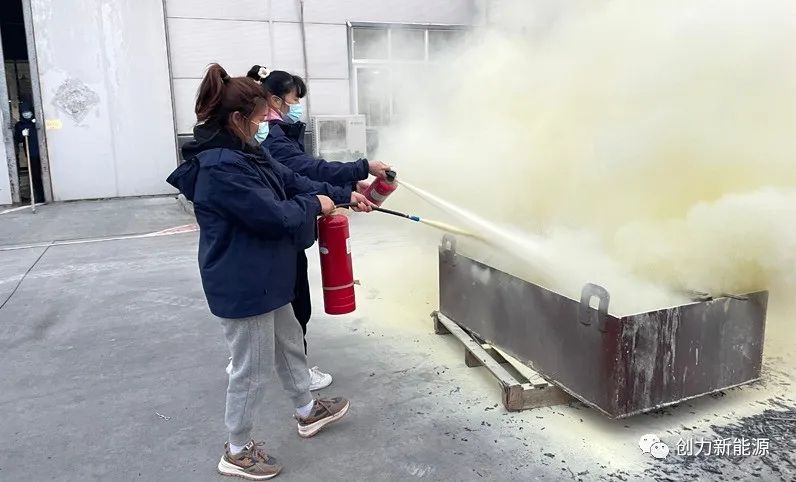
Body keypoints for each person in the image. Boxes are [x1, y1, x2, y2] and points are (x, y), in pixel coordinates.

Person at [166, 63, 371, 481]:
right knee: (251, 370)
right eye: (261, 119)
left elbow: (292, 180)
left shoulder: (247, 152)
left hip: (268, 275)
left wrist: (345, 194)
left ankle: (307, 410)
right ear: (237, 119)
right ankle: (237, 450)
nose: (266, 126)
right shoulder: (220, 168)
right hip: (244, 283)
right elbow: (274, 216)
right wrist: (315, 205)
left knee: (290, 342)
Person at [245, 65, 391, 390]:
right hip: (282, 235)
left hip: (283, 234)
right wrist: (360, 170)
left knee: (283, 311)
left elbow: (300, 177)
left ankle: (272, 367)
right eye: (294, 99)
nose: (297, 106)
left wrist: (346, 190)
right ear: (273, 100)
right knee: (295, 309)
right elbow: (307, 171)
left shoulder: (274, 134)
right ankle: (296, 378)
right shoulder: (272, 138)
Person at [13, 100, 45, 203]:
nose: (26, 114)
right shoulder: (20, 125)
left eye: (28, 112)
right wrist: (22, 135)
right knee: (35, 175)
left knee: (46, 173)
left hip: (44, 153)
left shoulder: (37, 121)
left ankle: (49, 194)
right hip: (32, 153)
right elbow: (17, 139)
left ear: (32, 111)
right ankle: (40, 197)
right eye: (24, 112)